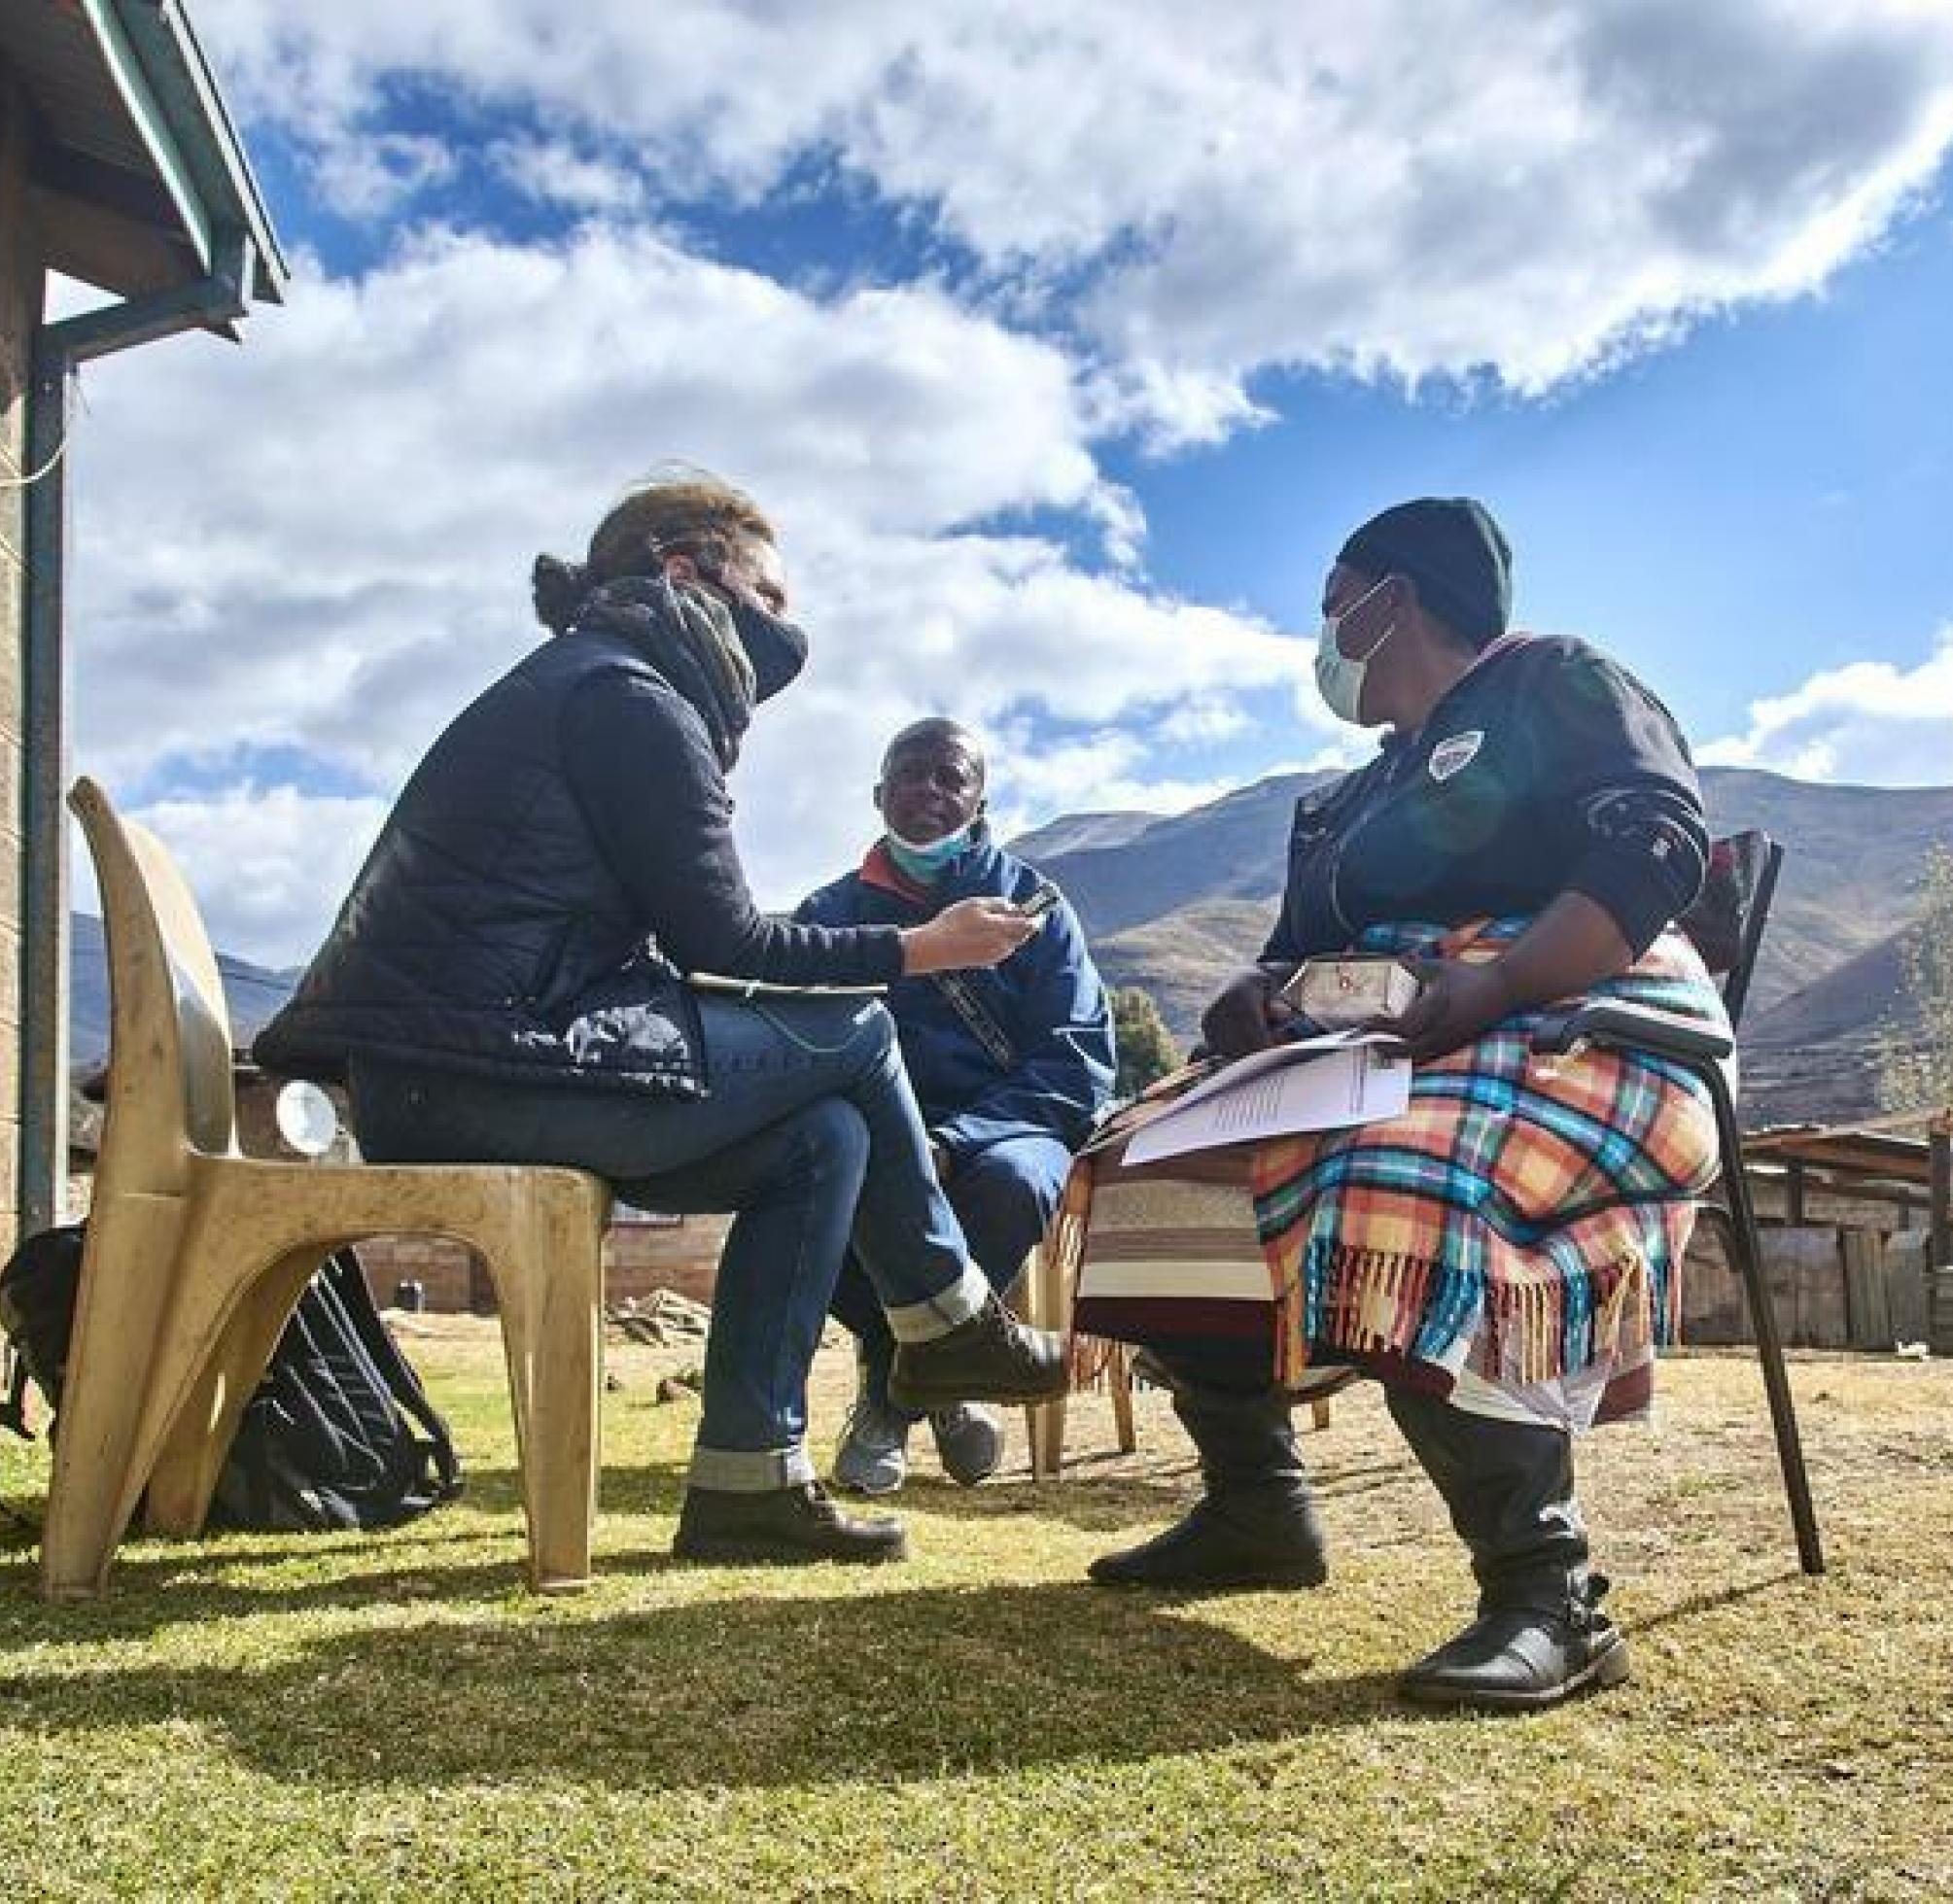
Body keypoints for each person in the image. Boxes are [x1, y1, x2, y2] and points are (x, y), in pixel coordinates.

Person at [254, 473, 1072, 1569]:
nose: (787, 631)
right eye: (769, 599)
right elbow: (724, 941)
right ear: (682, 572)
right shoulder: (623, 694)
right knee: (859, 1033)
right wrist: (922, 950)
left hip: (475, 1063)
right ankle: (944, 1324)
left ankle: (747, 1484)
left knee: (817, 1140)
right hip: (484, 1069)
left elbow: (678, 947)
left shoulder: (597, 686)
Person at [1085, 497, 1724, 1714]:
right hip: (1371, 1037)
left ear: (1396, 596)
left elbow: (1653, 849)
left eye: (1335, 601)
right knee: (1142, 1169)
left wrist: (1490, 981)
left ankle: (1549, 1596)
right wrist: (1247, 996)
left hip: (1568, 1006)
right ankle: (1257, 1508)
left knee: (1395, 1177)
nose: (1323, 632)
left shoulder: (1557, 683)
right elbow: (1286, 951)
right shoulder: (1359, 791)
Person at [797, 719, 1116, 1493]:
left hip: (1008, 1129)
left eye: (950, 777)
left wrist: (954, 1138)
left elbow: (1075, 1059)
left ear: (979, 800)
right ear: (879, 794)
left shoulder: (1035, 906)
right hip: (871, 1132)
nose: (928, 792)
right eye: (910, 774)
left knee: (1010, 1182)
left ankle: (890, 1393)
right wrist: (901, 1142)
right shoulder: (830, 912)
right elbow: (796, 1046)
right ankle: (941, 1371)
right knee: (812, 1183)